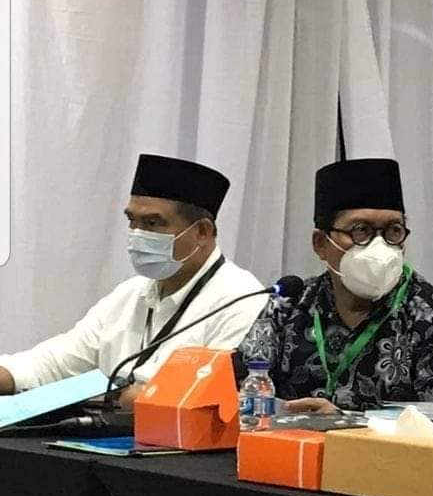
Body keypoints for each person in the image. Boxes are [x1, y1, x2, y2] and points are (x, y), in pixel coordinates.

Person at [0, 154, 266, 404]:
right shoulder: (130, 294)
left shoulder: (241, 300)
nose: (137, 234)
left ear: (202, 232)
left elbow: (206, 397)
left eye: (152, 223)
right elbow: (56, 363)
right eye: (132, 221)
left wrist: (131, 397)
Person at [238, 158, 433, 412]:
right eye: (361, 231)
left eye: (393, 230)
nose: (380, 246)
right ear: (320, 243)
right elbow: (239, 390)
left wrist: (345, 423)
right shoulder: (288, 306)